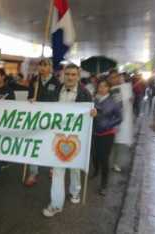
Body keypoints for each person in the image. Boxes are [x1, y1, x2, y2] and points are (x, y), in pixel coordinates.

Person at [42, 63, 96, 217]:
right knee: (58, 171)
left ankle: (75, 191)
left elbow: (95, 110)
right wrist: (35, 104)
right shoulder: (54, 89)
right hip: (57, 137)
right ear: (63, 75)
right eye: (68, 74)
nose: (70, 77)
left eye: (73, 74)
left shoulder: (85, 93)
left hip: (76, 139)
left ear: (78, 76)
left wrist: (94, 112)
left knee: (74, 168)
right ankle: (56, 204)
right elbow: (44, 105)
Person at [24, 59, 61, 187]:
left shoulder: (57, 82)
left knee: (52, 144)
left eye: (46, 65)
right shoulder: (34, 80)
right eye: (41, 65)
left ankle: (52, 168)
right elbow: (29, 97)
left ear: (51, 67)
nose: (42, 68)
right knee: (34, 145)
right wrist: (31, 99)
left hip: (51, 119)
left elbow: (58, 99)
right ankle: (33, 173)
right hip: (36, 118)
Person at [92, 80, 122, 196]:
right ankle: (96, 171)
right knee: (94, 154)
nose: (101, 88)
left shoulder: (114, 102)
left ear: (109, 88)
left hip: (107, 134)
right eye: (100, 86)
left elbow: (120, 118)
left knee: (104, 158)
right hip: (94, 132)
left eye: (104, 86)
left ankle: (104, 184)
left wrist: (108, 124)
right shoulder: (94, 100)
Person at [108, 70, 124, 172]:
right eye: (112, 77)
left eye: (116, 77)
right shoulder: (108, 89)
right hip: (109, 120)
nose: (114, 79)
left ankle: (116, 163)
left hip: (118, 119)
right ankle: (108, 163)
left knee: (117, 143)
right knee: (110, 143)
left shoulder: (123, 88)